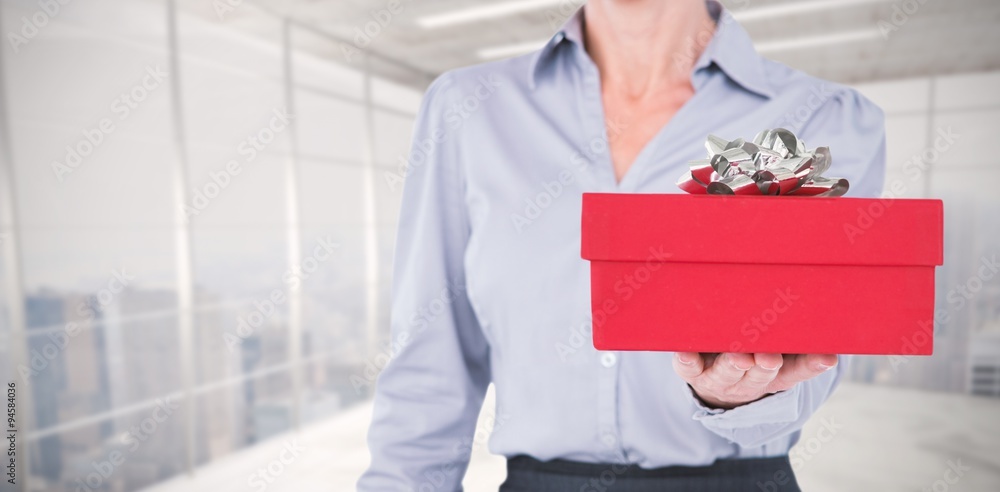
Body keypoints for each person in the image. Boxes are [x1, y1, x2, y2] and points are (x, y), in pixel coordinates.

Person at [358, 0, 885, 490]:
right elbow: (430, 357)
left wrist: (742, 396)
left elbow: (817, 358)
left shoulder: (827, 114)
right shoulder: (469, 108)